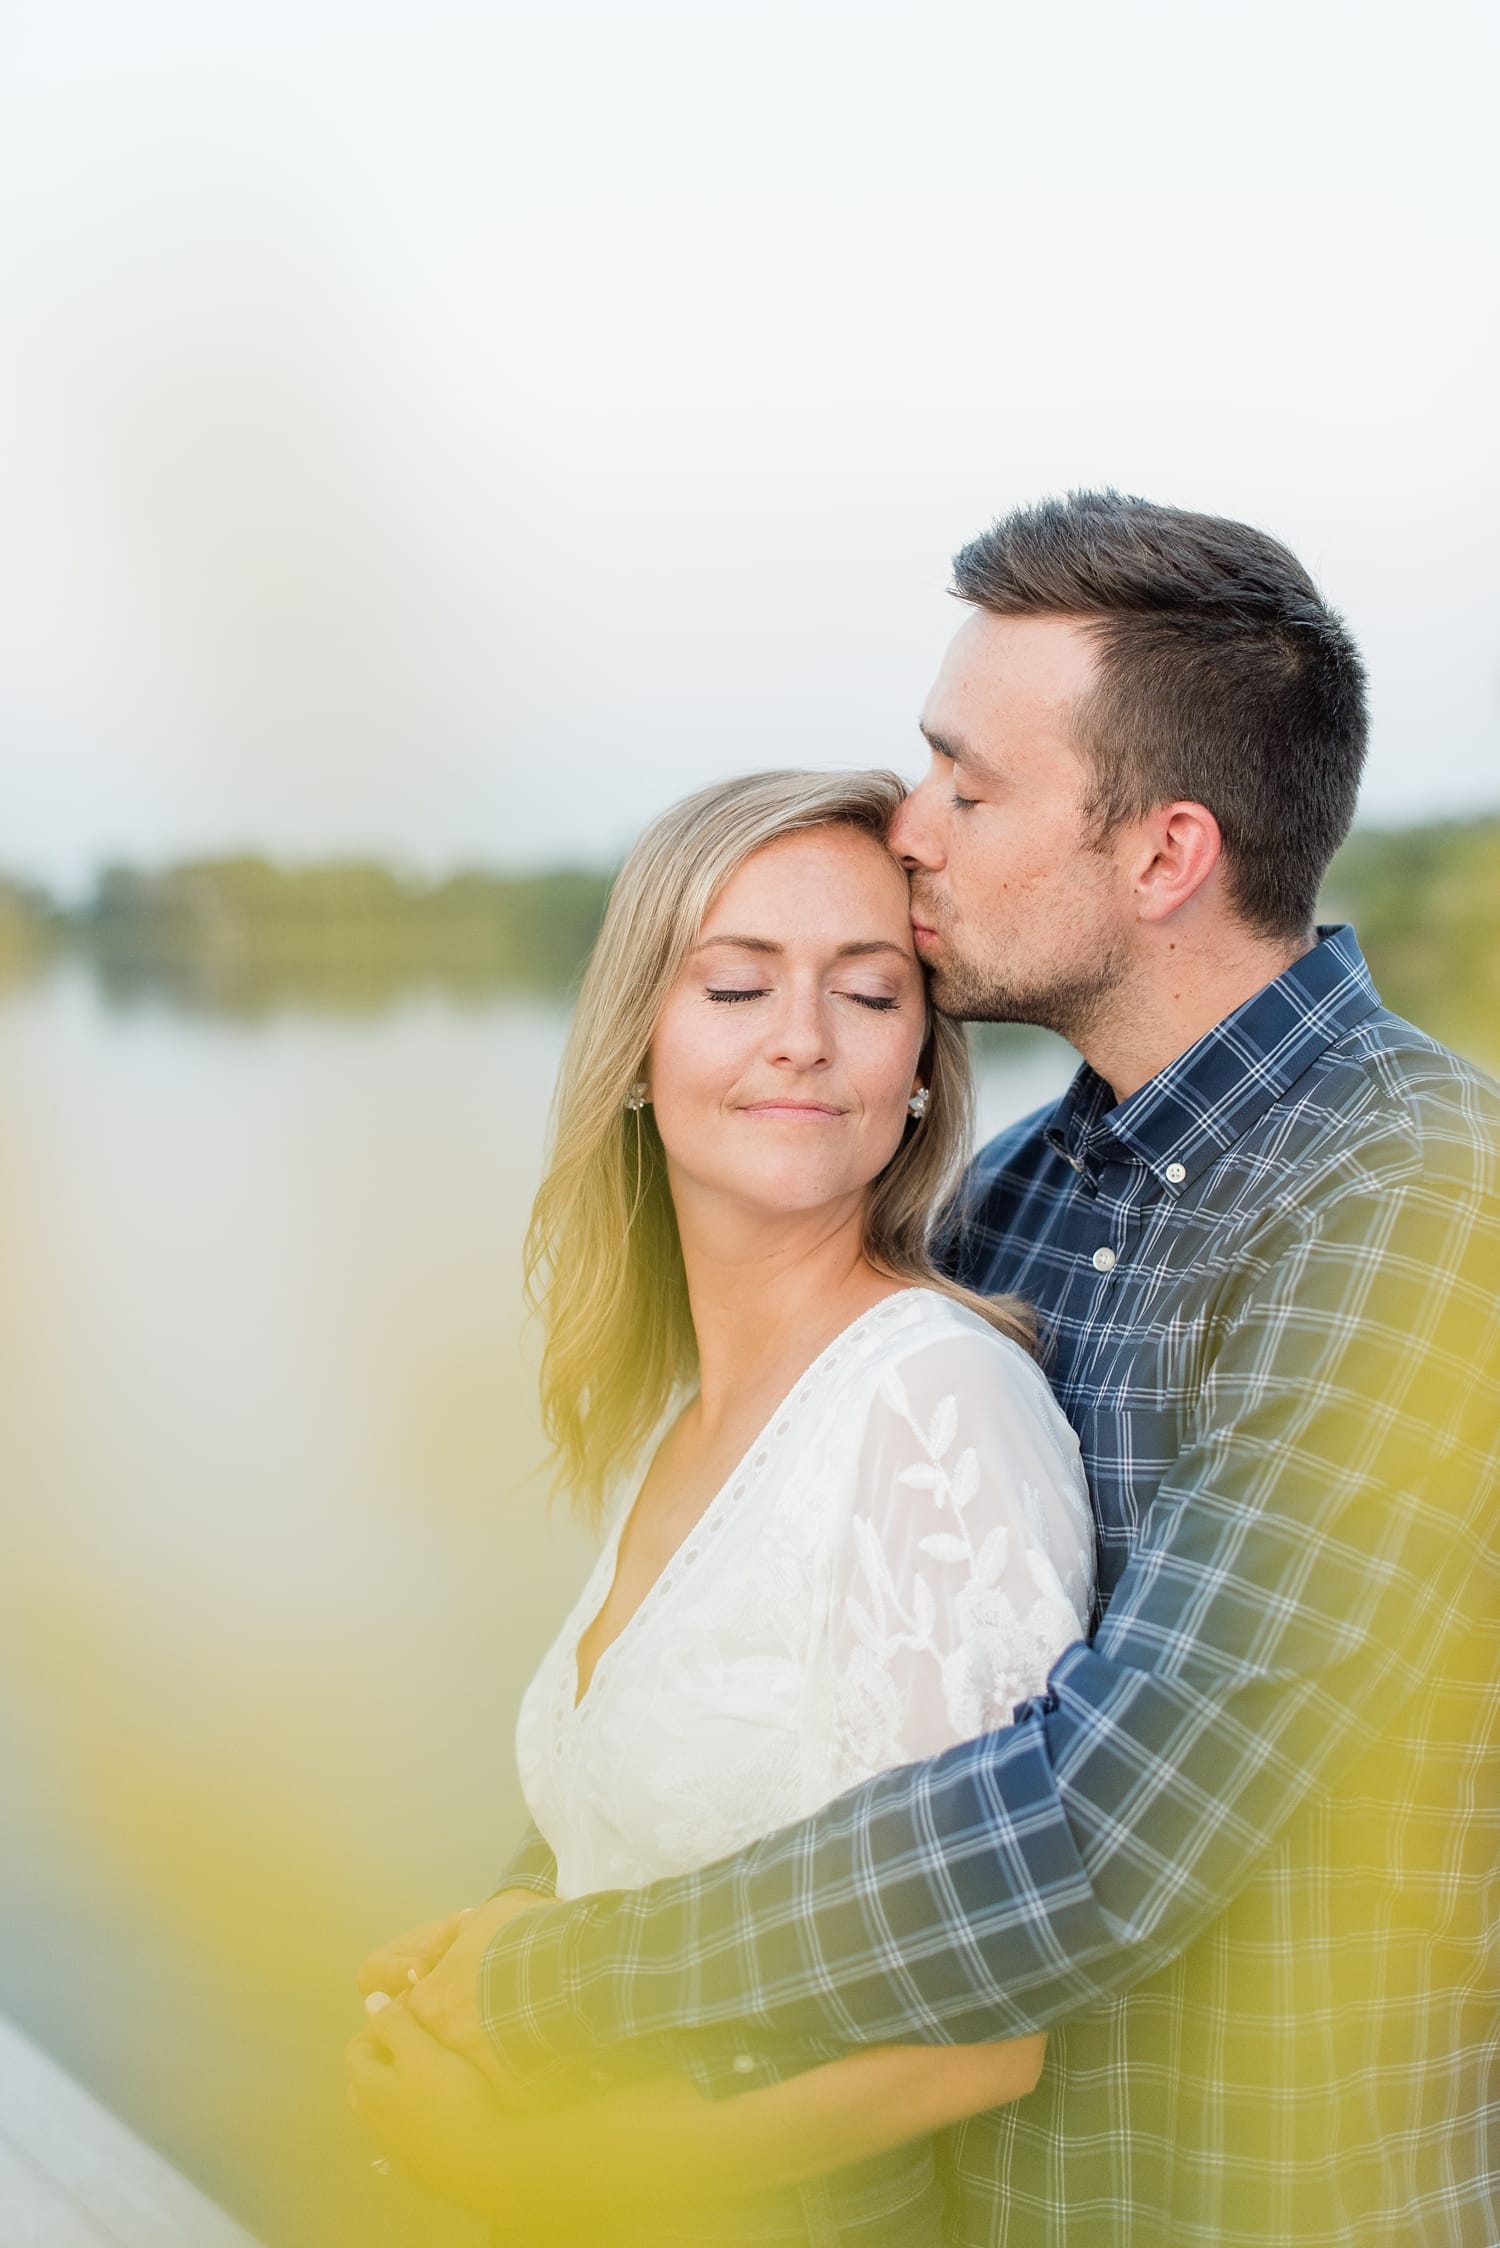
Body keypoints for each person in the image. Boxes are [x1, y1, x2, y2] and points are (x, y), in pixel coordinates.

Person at [358, 494, 1500, 2247]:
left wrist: (551, 1995)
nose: (917, 826)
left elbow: (1110, 1828)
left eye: (971, 787)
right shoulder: (1019, 1200)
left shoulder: (1417, 1205)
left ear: (1166, 854)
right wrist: (508, 1933)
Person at [348, 767, 1098, 2240]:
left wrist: (559, 2176)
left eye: (870, 997)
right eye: (738, 987)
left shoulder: (931, 1408)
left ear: (925, 1068)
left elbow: (986, 2027)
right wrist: (505, 1936)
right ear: (638, 1041)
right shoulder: (672, 1410)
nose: (803, 1043)